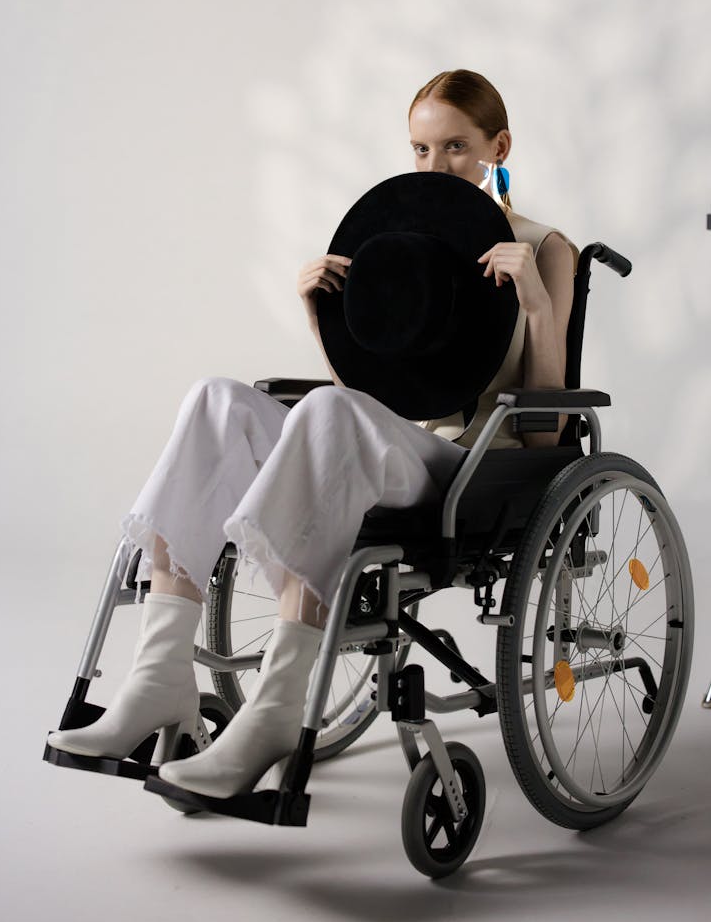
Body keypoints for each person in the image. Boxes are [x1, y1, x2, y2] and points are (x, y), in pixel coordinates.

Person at [47, 69, 578, 801]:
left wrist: (538, 305)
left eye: (456, 146)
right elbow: (363, 394)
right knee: (216, 401)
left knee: (328, 417)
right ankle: (157, 678)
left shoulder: (544, 248)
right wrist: (321, 316)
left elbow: (548, 427)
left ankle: (275, 709)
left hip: (474, 466)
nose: (435, 165)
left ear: (498, 146)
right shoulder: (399, 242)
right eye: (421, 149)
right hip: (384, 436)